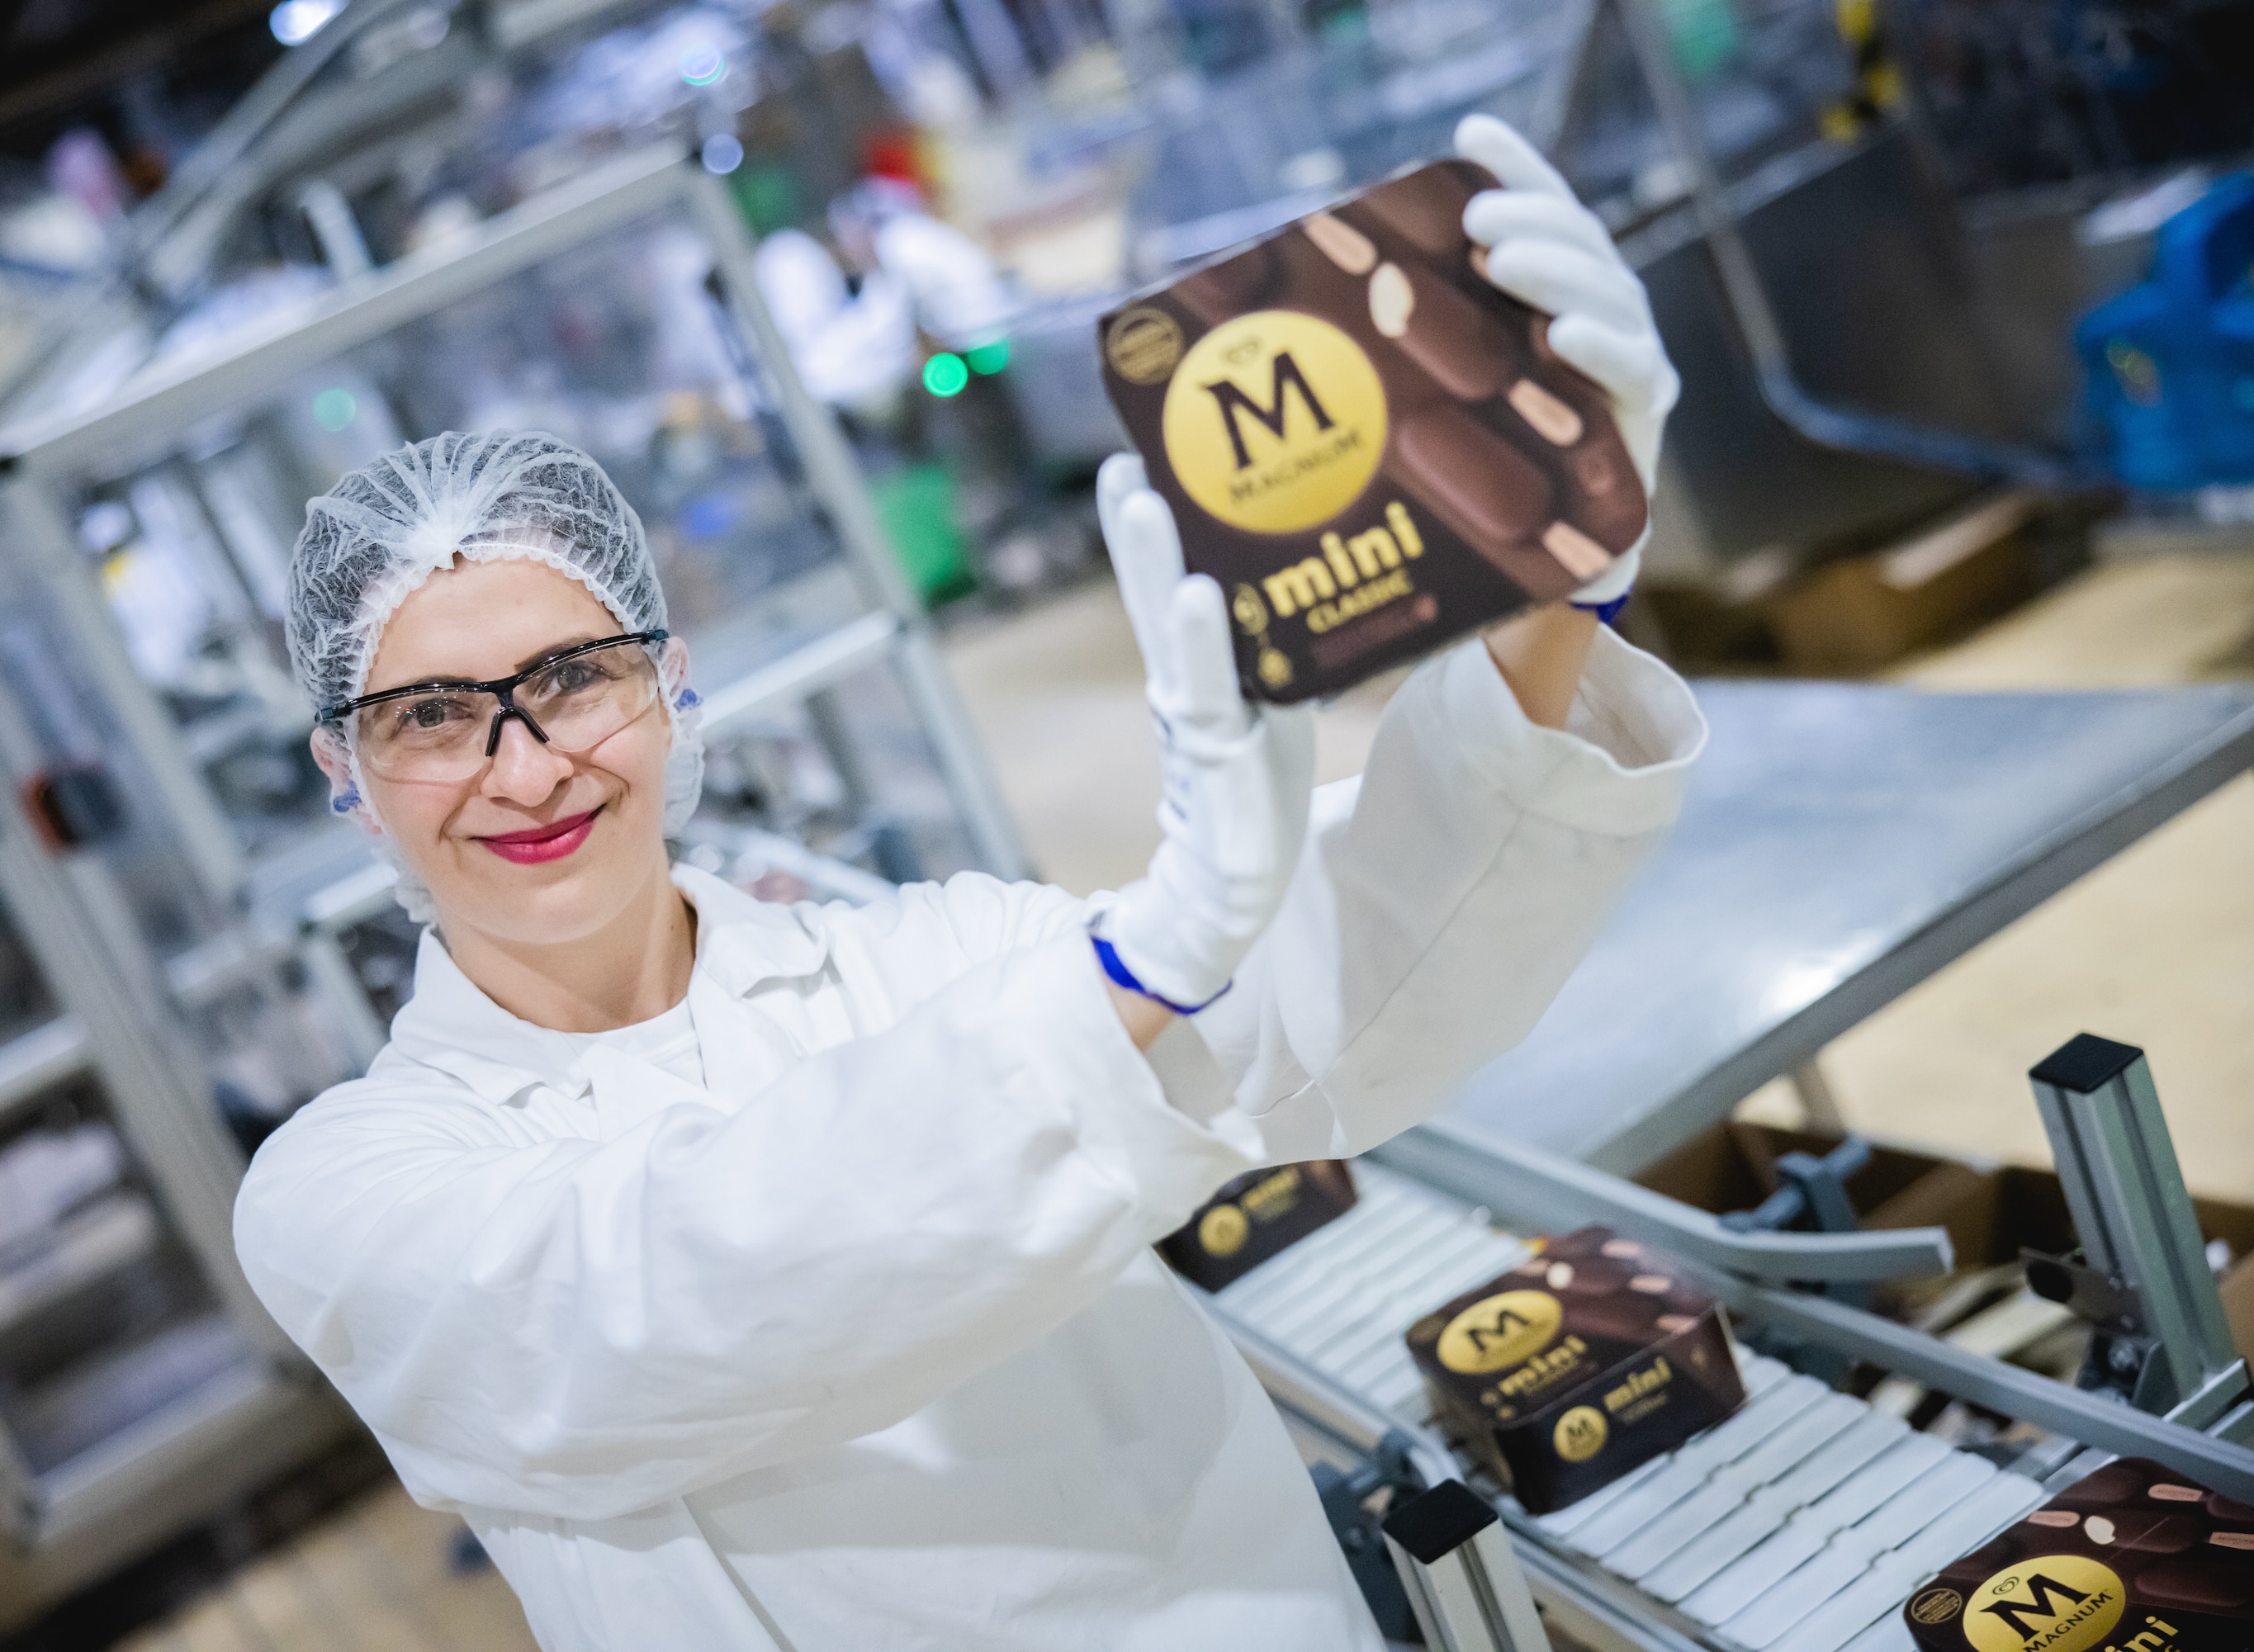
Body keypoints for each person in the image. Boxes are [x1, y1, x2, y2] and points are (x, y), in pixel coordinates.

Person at [234, 116, 1706, 1650]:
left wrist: (1556, 582)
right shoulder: (344, 1190)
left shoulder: (936, 955)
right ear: (346, 774)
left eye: (572, 677)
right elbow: (663, 1293)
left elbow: (1333, 995)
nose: (527, 768)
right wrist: (1141, 963)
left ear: (672, 685)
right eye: (431, 717)